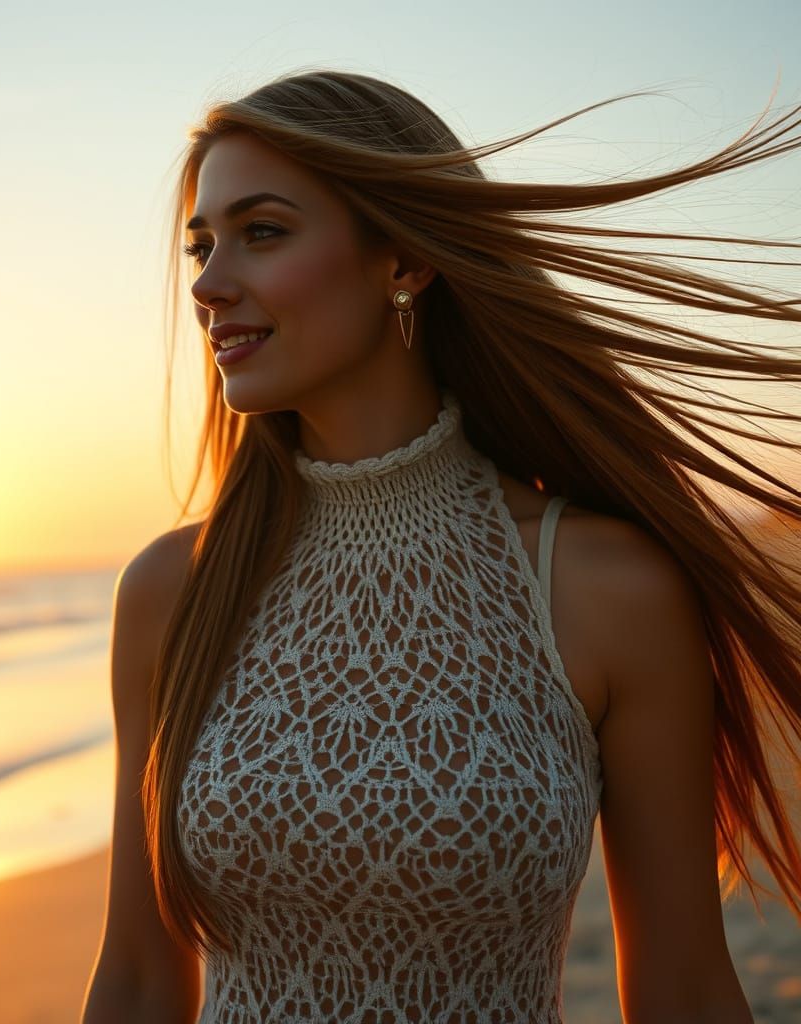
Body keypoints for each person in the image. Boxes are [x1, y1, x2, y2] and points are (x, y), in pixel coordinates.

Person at [82, 69, 801, 1024]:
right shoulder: (174, 590)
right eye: (201, 246)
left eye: (261, 232)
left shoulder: (601, 589)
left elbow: (684, 991)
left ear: (404, 262)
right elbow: (136, 981)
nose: (210, 286)